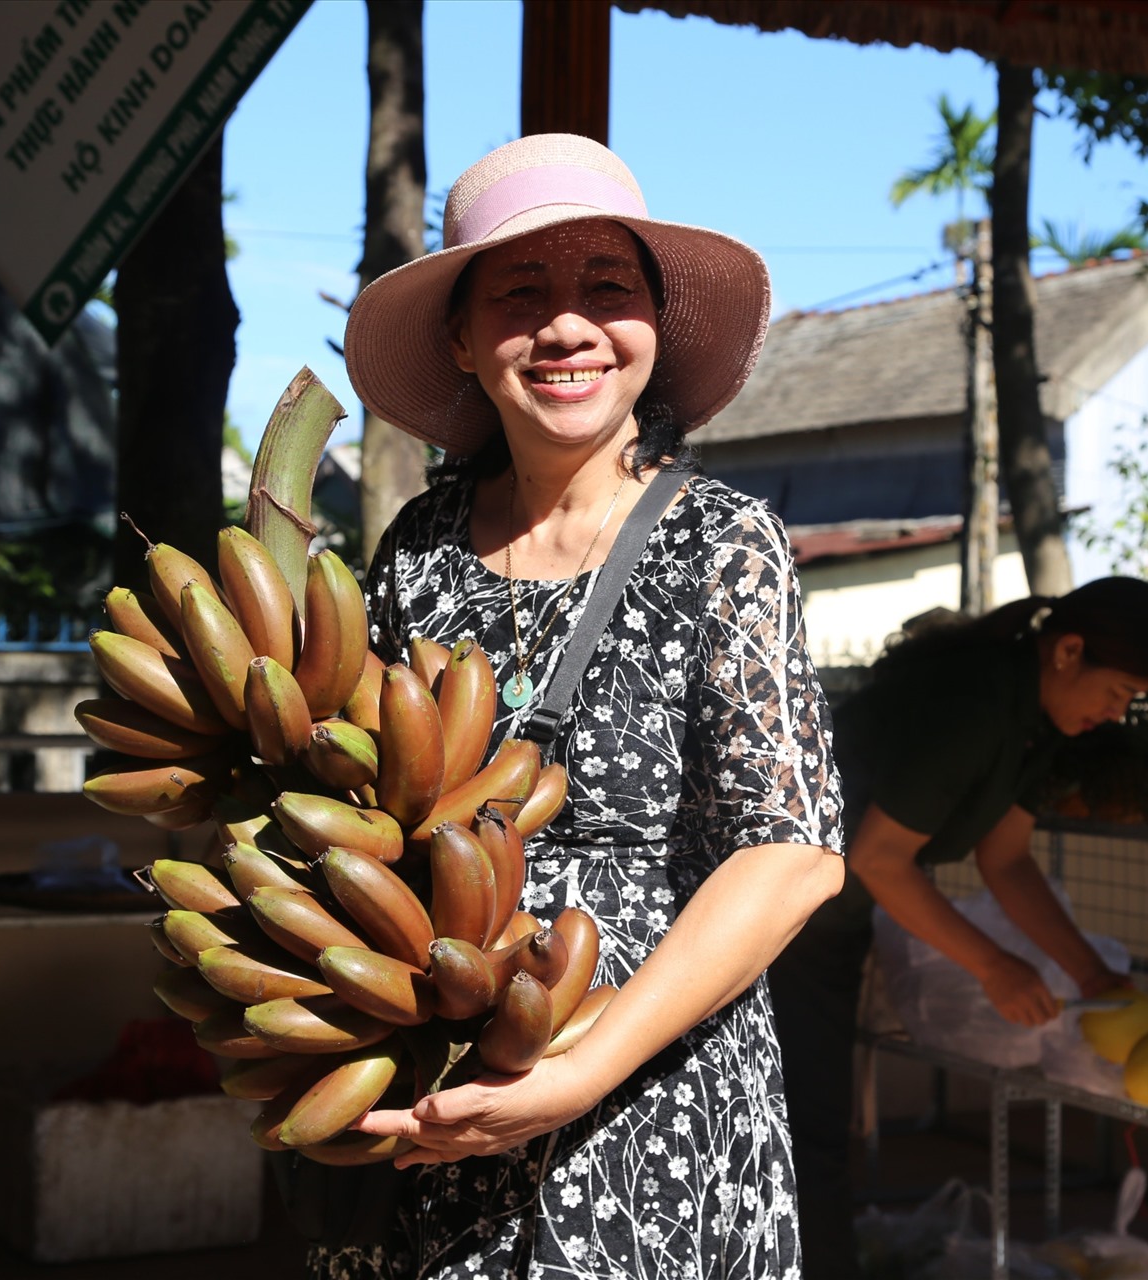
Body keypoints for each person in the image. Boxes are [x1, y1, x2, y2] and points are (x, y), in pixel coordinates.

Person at [310, 134, 846, 1279]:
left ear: (654, 323)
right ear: (461, 338)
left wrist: (578, 1074)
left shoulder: (722, 541)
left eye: (607, 288)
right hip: (451, 1066)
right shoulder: (419, 548)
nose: (568, 326)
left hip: (653, 1082)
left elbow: (794, 855)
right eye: (519, 293)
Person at [769, 578, 1148, 1280]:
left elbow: (1007, 860)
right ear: (1068, 650)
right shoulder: (977, 702)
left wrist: (1088, 973)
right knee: (806, 1132)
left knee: (816, 1127)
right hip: (777, 918)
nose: (1117, 713)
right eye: (1118, 692)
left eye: (1131, 703)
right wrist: (995, 967)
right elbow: (879, 859)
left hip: (828, 921)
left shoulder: (1036, 723)